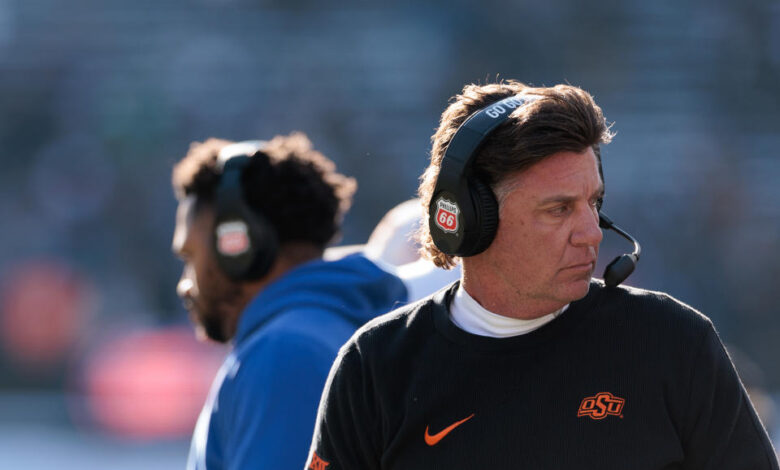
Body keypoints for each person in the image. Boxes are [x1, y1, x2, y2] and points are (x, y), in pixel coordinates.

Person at [306, 82, 779, 469]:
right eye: (559, 210)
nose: (592, 233)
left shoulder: (675, 343)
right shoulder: (375, 366)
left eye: (594, 203)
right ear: (470, 217)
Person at [170, 133, 407, 470]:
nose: (185, 284)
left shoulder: (283, 354)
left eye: (191, 257)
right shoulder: (338, 333)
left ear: (239, 245)